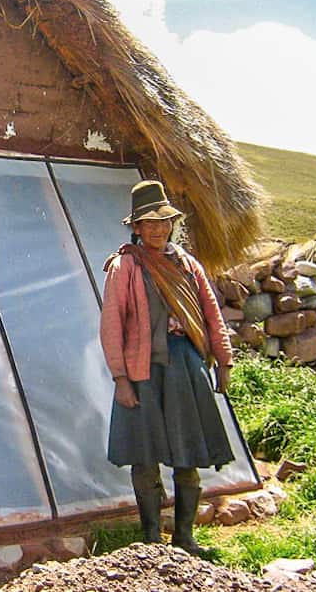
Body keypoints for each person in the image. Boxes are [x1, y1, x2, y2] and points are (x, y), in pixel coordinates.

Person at [99, 179, 234, 555]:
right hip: (142, 370)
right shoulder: (125, 266)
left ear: (171, 224)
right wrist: (120, 378)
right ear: (137, 227)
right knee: (145, 454)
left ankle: (185, 538)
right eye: (150, 223)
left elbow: (211, 314)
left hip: (186, 366)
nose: (158, 229)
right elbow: (112, 324)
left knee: (186, 451)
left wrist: (223, 360)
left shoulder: (188, 265)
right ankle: (150, 538)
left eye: (164, 221)